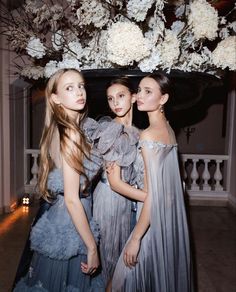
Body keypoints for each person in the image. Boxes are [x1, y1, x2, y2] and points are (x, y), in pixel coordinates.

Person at [14, 68, 104, 291]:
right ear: (55, 98)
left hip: (63, 215)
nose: (79, 92)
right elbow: (73, 199)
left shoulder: (63, 127)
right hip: (70, 220)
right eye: (69, 88)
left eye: (81, 85)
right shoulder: (70, 133)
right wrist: (92, 247)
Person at [112, 73, 194, 292]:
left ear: (163, 99)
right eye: (139, 90)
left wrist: (136, 238)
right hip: (165, 217)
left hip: (149, 218)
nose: (139, 96)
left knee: (121, 282)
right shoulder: (168, 130)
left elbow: (153, 194)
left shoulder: (148, 136)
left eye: (148, 92)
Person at [92, 77, 147, 292]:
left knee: (122, 262)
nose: (115, 102)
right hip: (110, 199)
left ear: (133, 97)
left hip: (127, 201)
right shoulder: (111, 132)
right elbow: (115, 183)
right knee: (111, 263)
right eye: (110, 98)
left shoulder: (137, 131)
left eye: (121, 96)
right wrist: (151, 198)